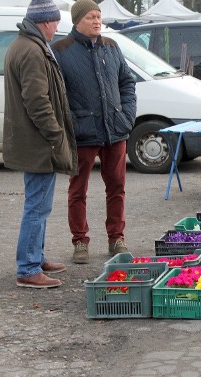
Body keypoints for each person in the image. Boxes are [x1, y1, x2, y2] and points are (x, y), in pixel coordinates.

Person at [52, 0, 137, 264]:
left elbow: (127, 82)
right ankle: (80, 241)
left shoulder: (111, 47)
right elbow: (58, 94)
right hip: (83, 134)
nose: (97, 21)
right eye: (91, 17)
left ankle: (117, 239)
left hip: (115, 132)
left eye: (99, 16)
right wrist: (72, 125)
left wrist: (126, 117)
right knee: (78, 190)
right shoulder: (60, 50)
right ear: (78, 20)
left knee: (117, 188)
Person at [3, 0, 78, 288]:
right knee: (37, 206)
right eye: (55, 22)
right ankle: (29, 268)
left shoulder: (26, 45)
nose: (57, 27)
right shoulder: (32, 50)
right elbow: (37, 101)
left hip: (34, 141)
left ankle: (36, 256)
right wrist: (55, 134)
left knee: (39, 204)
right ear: (45, 22)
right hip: (38, 143)